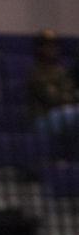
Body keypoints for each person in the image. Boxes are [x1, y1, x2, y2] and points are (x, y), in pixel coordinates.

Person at [27, 29, 79, 160]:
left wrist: (70, 97)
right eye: (47, 45)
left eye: (54, 45)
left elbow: (70, 95)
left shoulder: (61, 71)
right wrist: (70, 97)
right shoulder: (36, 74)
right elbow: (54, 99)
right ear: (39, 48)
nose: (52, 49)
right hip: (44, 120)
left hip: (65, 114)